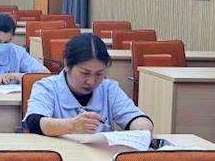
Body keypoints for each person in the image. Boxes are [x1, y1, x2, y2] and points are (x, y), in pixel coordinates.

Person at [23, 33, 153, 137]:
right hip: (59, 157)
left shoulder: (109, 89)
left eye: (99, 74)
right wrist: (72, 126)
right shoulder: (47, 87)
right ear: (67, 64)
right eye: (85, 73)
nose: (91, 81)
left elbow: (135, 117)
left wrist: (142, 127)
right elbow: (34, 122)